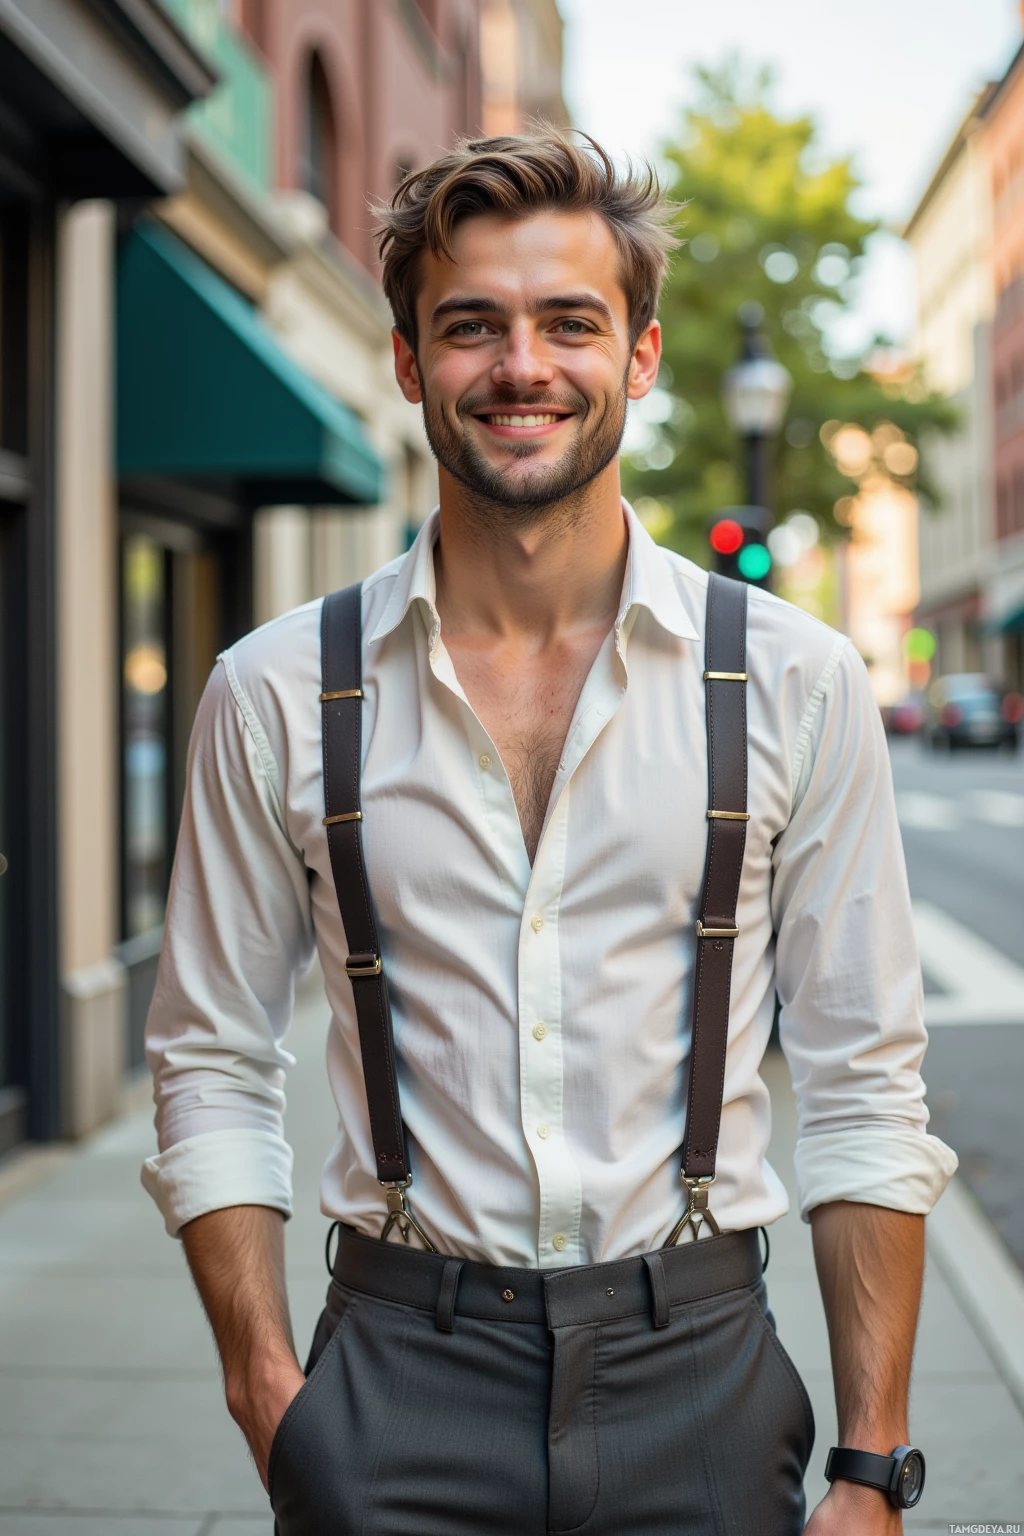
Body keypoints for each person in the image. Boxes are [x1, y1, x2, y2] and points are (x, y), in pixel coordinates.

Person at [142, 130, 956, 1535]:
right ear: (408, 363)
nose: (523, 366)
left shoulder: (795, 679)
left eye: (570, 323)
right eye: (472, 327)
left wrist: (873, 1465)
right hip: (393, 1375)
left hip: (699, 1366)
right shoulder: (271, 691)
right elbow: (210, 1055)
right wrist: (273, 1396)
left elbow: (863, 1079)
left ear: (638, 356)